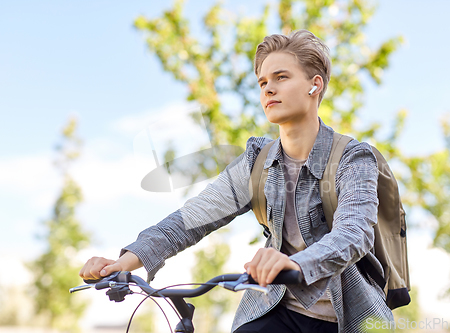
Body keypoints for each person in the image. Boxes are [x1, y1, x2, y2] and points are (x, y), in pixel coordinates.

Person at [80, 30, 394, 333]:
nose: (268, 89)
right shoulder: (257, 160)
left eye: (281, 77)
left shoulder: (352, 158)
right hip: (276, 311)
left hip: (348, 318)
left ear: (315, 85)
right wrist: (124, 262)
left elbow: (353, 234)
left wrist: (295, 264)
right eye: (263, 82)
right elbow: (192, 218)